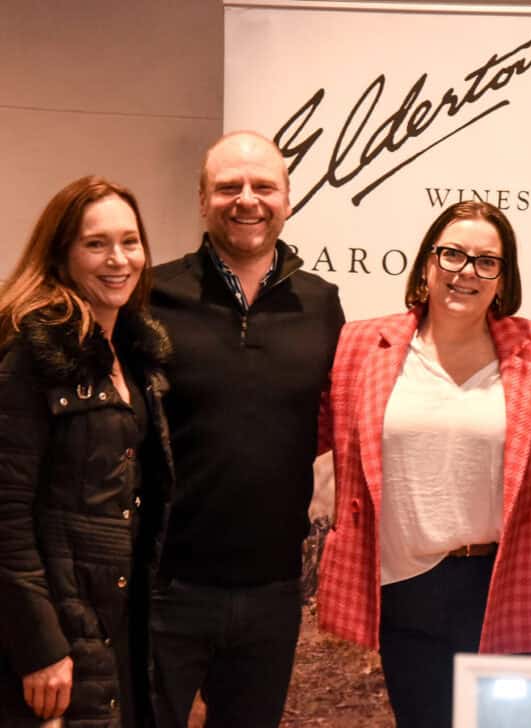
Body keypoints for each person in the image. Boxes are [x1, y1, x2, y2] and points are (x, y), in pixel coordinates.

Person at [317, 201, 531, 728]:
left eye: (486, 261)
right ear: (428, 263)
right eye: (452, 254)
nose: (466, 271)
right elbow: (305, 432)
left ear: (503, 278)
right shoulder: (361, 345)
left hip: (500, 586)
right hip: (404, 588)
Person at [149, 130, 345, 728]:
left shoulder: (322, 304)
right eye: (228, 186)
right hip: (165, 588)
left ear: (288, 198)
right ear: (201, 199)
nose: (247, 200)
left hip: (273, 591)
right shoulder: (151, 295)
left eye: (264, 186)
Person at [0, 176, 174, 727]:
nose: (118, 259)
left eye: (130, 241)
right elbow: (5, 515)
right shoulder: (30, 354)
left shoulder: (132, 352)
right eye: (96, 244)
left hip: (114, 623)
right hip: (54, 639)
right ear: (62, 254)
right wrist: (40, 647)